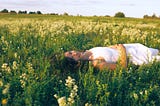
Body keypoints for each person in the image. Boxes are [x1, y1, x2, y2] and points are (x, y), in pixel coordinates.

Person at [64, 43, 160, 70]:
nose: (74, 53)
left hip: (133, 48)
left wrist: (114, 46)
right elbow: (122, 67)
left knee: (155, 51)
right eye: (72, 57)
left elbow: (105, 49)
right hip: (134, 57)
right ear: (76, 63)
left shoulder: (89, 51)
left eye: (71, 52)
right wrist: (122, 50)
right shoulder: (96, 63)